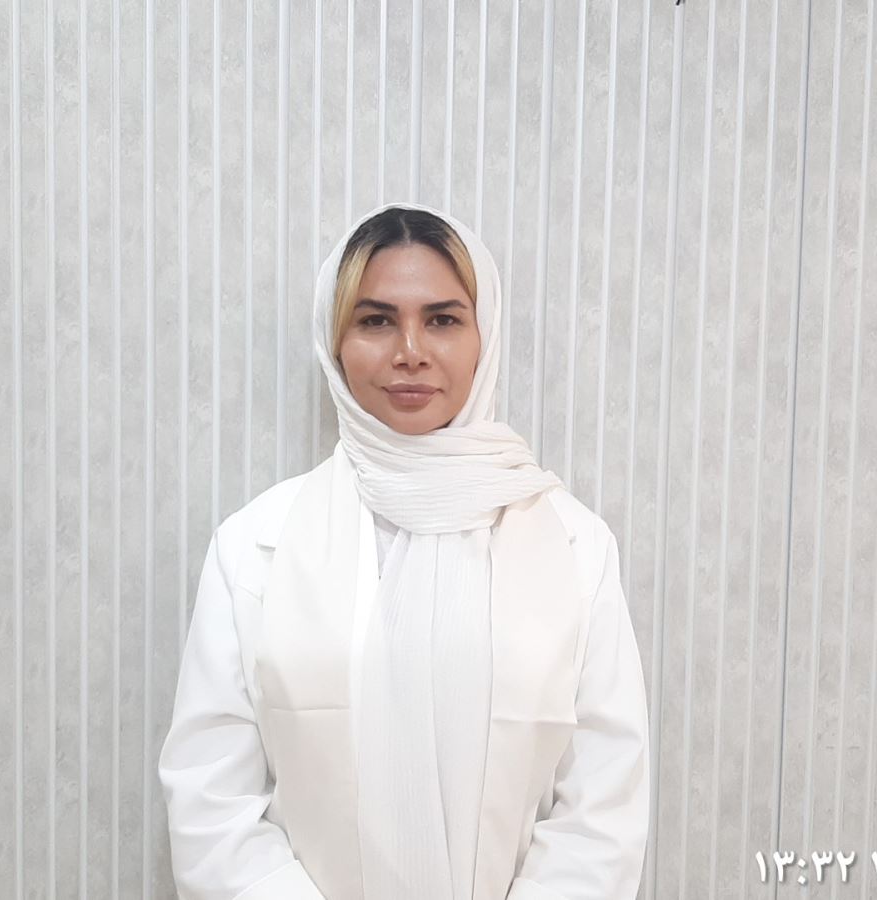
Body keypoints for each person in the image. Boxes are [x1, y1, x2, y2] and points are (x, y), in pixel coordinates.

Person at [158, 201, 650, 900]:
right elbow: (212, 803)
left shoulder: (575, 547)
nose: (410, 350)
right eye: (376, 320)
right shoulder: (253, 547)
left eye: (443, 320)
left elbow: (603, 804)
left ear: (484, 338)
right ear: (335, 343)